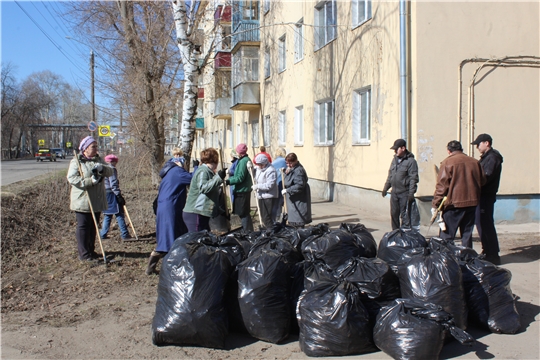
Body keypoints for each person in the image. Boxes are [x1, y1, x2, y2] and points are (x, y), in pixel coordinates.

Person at [67, 136, 113, 261]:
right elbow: (72, 178)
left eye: (96, 146)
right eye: (93, 146)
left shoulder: (98, 160)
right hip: (83, 199)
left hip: (96, 199)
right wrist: (89, 181)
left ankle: (91, 251)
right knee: (84, 227)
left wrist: (102, 169)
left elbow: (111, 172)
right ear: (85, 149)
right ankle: (84, 254)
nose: (96, 149)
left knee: (93, 226)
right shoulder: (77, 161)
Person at [432, 140, 485, 248]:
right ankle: (467, 259)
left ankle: (445, 259)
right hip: (472, 202)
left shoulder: (447, 163)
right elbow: (483, 181)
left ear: (448, 151)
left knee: (447, 235)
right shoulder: (474, 162)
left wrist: (436, 204)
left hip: (453, 204)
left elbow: (442, 186)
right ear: (461, 149)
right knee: (466, 234)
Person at [146, 155, 193, 275]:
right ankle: (171, 268)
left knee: (165, 238)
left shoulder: (168, 172)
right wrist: (198, 167)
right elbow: (192, 178)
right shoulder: (177, 171)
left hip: (164, 207)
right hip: (171, 208)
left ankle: (151, 267)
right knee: (171, 238)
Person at [471, 133, 504, 265]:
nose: (477, 147)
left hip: (486, 195)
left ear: (486, 143)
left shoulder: (492, 158)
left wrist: (473, 181)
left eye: (478, 144)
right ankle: (487, 251)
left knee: (485, 224)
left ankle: (492, 254)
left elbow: (485, 176)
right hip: (482, 195)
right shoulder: (486, 157)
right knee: (481, 223)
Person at [182, 148, 227, 232]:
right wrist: (218, 177)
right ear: (215, 160)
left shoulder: (209, 172)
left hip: (201, 214)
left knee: (205, 241)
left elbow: (210, 197)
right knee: (197, 242)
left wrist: (220, 212)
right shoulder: (203, 171)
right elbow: (203, 187)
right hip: (195, 213)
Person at [382, 139, 420, 230]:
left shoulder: (411, 161)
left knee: (405, 216)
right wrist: (386, 188)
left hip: (404, 193)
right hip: (394, 193)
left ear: (403, 148)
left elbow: (413, 178)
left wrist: (411, 193)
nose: (395, 152)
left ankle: (405, 235)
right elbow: (390, 175)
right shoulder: (394, 160)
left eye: (396, 149)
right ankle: (395, 233)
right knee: (394, 214)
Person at [99, 154, 132, 240]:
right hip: (111, 194)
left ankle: (102, 234)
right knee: (119, 214)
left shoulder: (102, 169)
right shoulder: (111, 169)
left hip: (104, 193)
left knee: (107, 214)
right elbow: (113, 183)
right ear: (113, 162)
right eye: (115, 162)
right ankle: (124, 234)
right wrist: (118, 195)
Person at [225, 143, 254, 232]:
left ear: (240, 153)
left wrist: (229, 181)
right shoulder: (244, 160)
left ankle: (247, 231)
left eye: (237, 151)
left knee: (243, 213)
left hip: (242, 191)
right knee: (244, 213)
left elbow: (240, 177)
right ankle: (248, 230)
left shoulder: (243, 161)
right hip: (243, 189)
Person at [282, 153, 312, 228]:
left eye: (290, 163)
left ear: (296, 161)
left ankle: (299, 236)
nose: (288, 165)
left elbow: (299, 185)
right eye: (287, 163)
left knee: (298, 221)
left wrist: (288, 190)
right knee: (294, 221)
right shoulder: (293, 168)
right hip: (293, 200)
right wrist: (286, 172)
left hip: (299, 199)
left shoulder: (298, 171)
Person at [252, 153, 278, 228]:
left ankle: (271, 233)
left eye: (261, 164)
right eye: (258, 164)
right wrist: (249, 168)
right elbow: (252, 172)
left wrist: (258, 186)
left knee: (267, 217)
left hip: (269, 197)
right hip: (261, 195)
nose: (259, 166)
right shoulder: (258, 168)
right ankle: (268, 231)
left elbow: (269, 185)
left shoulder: (271, 170)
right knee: (263, 216)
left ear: (265, 163)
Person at [271, 147, 287, 222]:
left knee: (276, 203)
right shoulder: (285, 161)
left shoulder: (273, 163)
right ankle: (284, 217)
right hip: (284, 184)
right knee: (284, 201)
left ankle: (276, 219)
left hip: (276, 184)